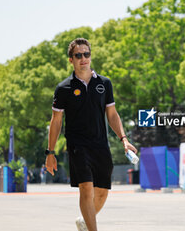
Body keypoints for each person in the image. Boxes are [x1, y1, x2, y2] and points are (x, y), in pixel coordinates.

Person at [45, 38, 137, 231]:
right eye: (78, 55)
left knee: (102, 192)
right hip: (77, 145)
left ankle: (85, 221)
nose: (83, 58)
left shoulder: (104, 83)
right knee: (86, 188)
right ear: (71, 60)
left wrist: (124, 140)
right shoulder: (63, 88)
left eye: (86, 54)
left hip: (101, 145)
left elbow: (112, 115)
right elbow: (56, 122)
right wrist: (50, 152)